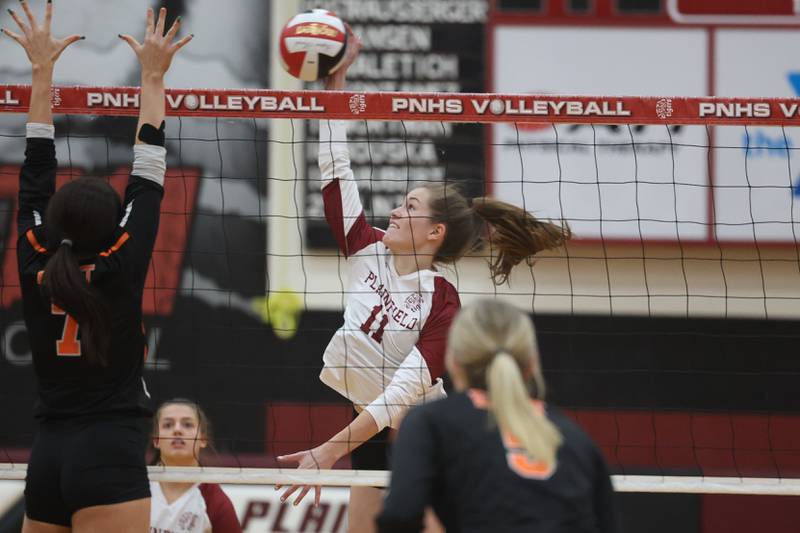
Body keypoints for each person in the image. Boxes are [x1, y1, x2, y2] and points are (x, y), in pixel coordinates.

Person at [276, 26, 571, 532]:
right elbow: (334, 168)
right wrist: (334, 91)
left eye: (408, 206)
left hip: (427, 435)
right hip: (369, 432)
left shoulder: (443, 304)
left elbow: (399, 396)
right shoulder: (363, 249)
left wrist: (326, 452)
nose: (392, 210)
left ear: (434, 232)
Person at [5, 3, 191, 531]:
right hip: (109, 453)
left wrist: (40, 72)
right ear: (113, 227)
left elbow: (36, 170)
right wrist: (154, 76)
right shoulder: (118, 261)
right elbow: (149, 167)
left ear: (55, 224)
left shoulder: (36, 260)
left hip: (48, 458)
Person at [376, 299, 618, 533]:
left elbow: (400, 516)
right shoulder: (575, 439)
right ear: (532, 364)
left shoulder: (428, 423)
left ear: (453, 361)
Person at [150, 399, 242, 533]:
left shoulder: (214, 501)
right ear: (156, 440)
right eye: (168, 425)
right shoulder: (137, 489)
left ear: (203, 440)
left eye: (187, 425)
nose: (177, 430)